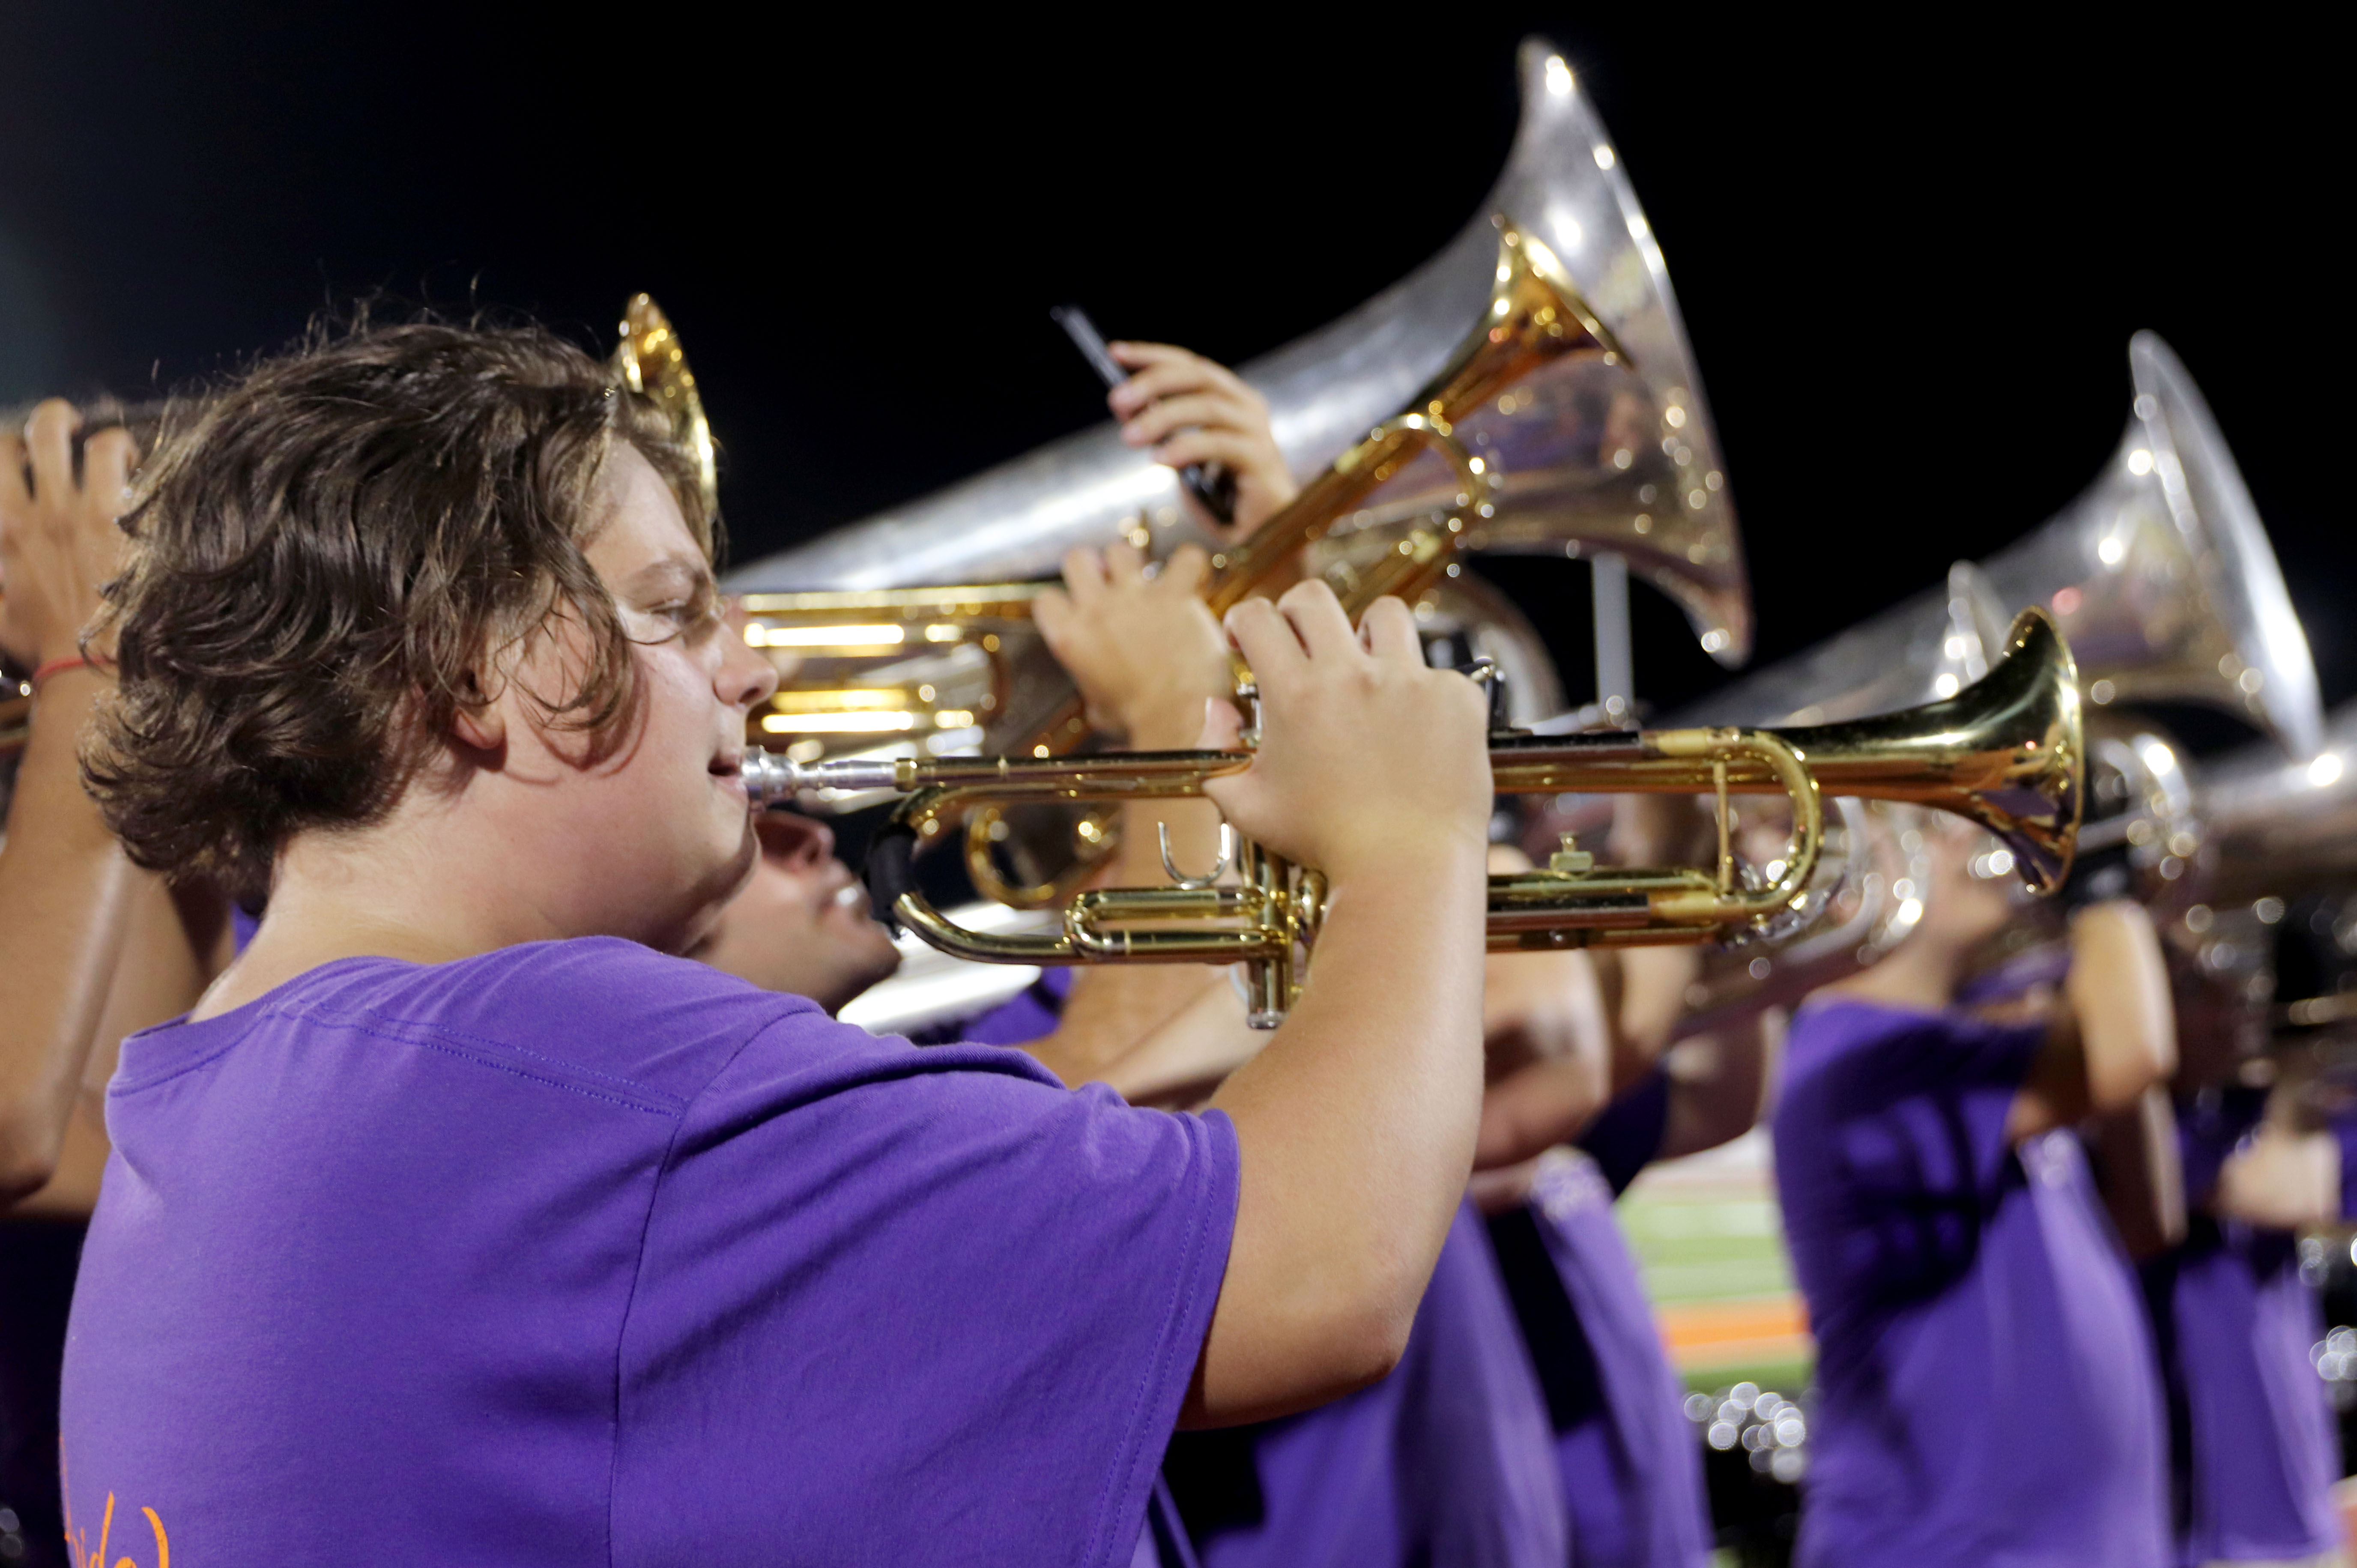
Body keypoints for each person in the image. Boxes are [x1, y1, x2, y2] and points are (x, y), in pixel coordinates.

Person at [57, 317, 1494, 1565]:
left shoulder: (195, 1099)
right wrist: (1408, 843)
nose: (755, 666)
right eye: (674, 613)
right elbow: (1313, 1272)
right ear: (464, 665)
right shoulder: (589, 1075)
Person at [1772, 814, 2178, 1568]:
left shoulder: (1980, 1047)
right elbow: (2135, 1053)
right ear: (1844, 882)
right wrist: (2101, 887)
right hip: (1943, 1548)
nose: (1974, 838)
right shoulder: (1856, 1052)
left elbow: (2151, 1220)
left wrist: (2093, 962)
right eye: (1930, 826)